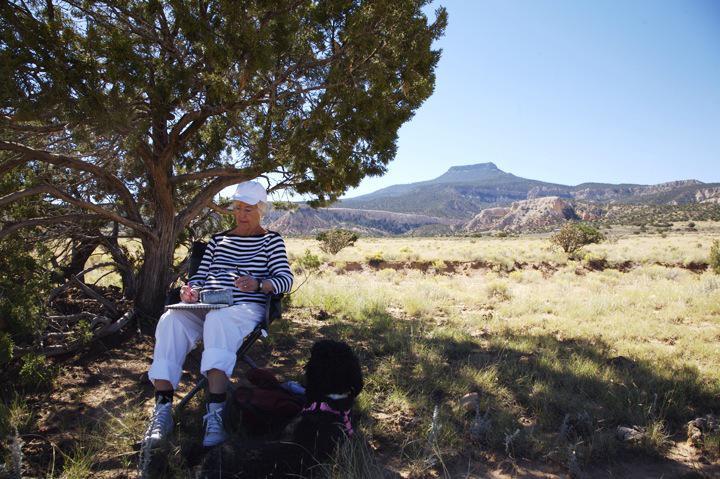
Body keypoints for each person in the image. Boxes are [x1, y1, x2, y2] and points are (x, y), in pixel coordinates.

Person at [143, 180, 294, 448]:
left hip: (244, 306)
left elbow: (285, 279)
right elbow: (199, 277)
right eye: (237, 208)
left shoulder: (272, 241)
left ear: (261, 210)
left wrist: (259, 284)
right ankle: (163, 410)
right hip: (206, 303)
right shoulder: (218, 240)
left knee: (219, 318)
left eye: (248, 209)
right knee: (171, 320)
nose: (241, 214)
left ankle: (215, 415)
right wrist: (190, 291)